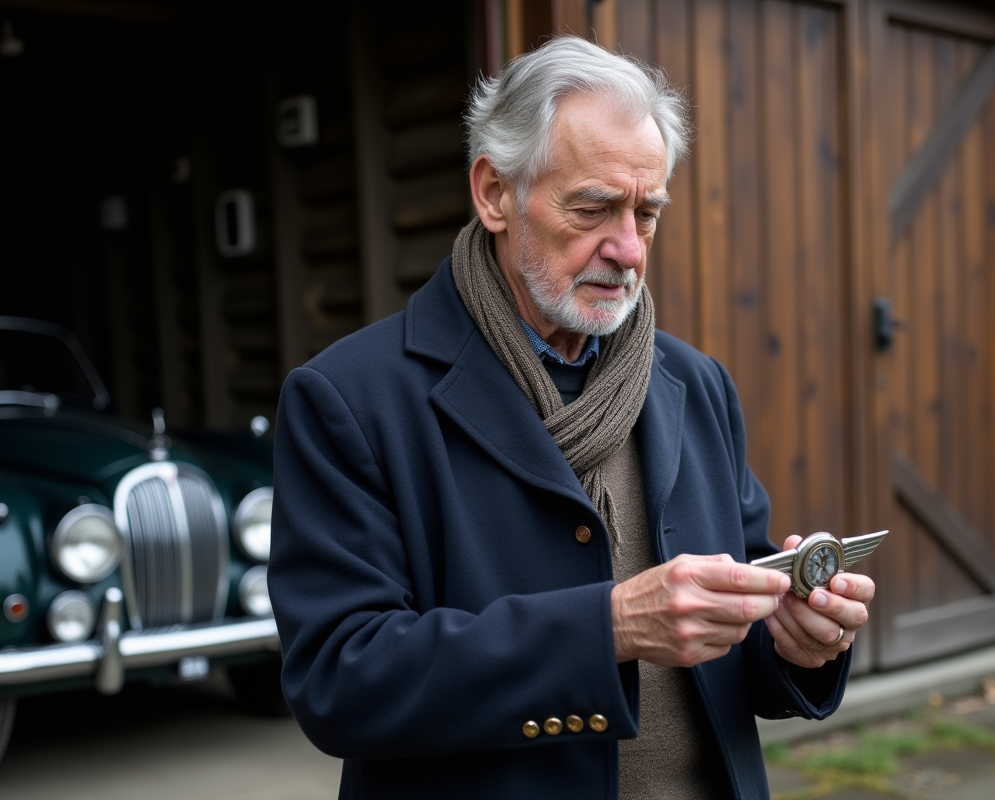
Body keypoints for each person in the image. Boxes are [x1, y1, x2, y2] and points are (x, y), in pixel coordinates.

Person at [269, 36, 875, 800]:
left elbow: (737, 636)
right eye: (593, 207)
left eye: (646, 213)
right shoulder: (349, 398)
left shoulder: (695, 382)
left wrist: (800, 641)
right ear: (494, 192)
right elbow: (339, 683)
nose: (627, 249)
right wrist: (609, 628)